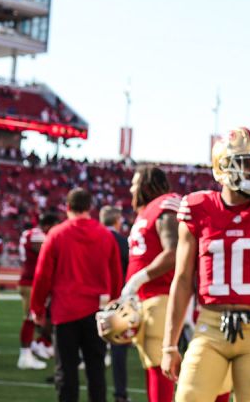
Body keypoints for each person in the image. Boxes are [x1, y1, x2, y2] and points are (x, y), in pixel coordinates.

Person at [162, 127, 250, 402]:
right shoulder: (197, 207)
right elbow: (183, 280)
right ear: (224, 165)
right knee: (188, 396)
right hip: (209, 326)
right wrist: (169, 344)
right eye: (249, 164)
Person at [30, 188, 123, 402]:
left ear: (67, 207)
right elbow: (117, 275)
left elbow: (42, 275)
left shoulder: (57, 234)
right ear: (90, 207)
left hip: (65, 312)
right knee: (96, 371)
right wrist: (114, 305)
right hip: (97, 312)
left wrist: (37, 309)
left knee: (66, 372)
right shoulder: (105, 235)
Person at [120, 165, 180, 402]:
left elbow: (173, 251)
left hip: (161, 296)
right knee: (151, 364)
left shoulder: (165, 206)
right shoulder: (146, 211)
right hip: (145, 298)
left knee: (159, 366)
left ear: (146, 184)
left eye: (135, 183)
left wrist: (136, 280)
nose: (131, 188)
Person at [18, 213, 58, 370]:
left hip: (30, 280)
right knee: (30, 317)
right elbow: (41, 250)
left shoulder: (30, 233)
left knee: (40, 316)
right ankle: (25, 355)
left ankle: (39, 344)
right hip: (30, 281)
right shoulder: (36, 234)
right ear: (48, 225)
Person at [100, 205, 131, 402]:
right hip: (117, 300)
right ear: (118, 221)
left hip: (92, 299)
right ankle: (120, 394)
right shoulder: (122, 241)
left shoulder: (94, 238)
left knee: (92, 349)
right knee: (119, 349)